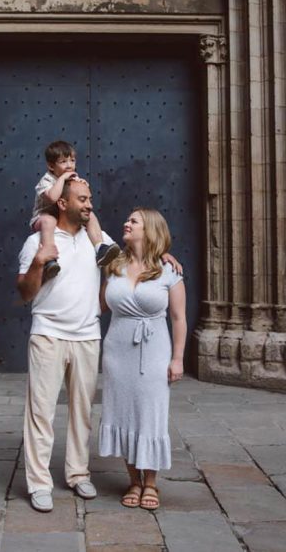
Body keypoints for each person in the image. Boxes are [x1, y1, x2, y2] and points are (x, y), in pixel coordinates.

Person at [17, 177, 112, 512]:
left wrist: (166, 255)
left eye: (89, 199)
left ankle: (77, 473)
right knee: (40, 412)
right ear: (63, 203)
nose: (89, 205)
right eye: (83, 200)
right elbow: (25, 294)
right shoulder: (37, 241)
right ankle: (40, 484)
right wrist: (40, 262)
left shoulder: (98, 239)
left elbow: (127, 267)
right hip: (48, 335)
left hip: (87, 337)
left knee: (82, 413)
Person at [98, 208, 186, 511]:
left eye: (133, 221)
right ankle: (133, 481)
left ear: (149, 230)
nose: (126, 223)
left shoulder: (169, 270)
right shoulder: (115, 266)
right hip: (117, 352)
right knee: (124, 414)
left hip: (154, 351)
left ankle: (151, 482)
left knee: (150, 415)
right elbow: (98, 305)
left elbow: (178, 318)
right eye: (127, 219)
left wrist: (178, 359)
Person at [31, 140, 120, 282]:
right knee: (49, 221)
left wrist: (81, 185)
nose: (69, 165)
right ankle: (50, 259)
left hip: (63, 217)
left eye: (72, 160)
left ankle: (100, 248)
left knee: (90, 215)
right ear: (50, 166)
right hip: (43, 218)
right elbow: (53, 197)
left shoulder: (73, 178)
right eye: (63, 161)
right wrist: (64, 178)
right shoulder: (46, 181)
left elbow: (79, 193)